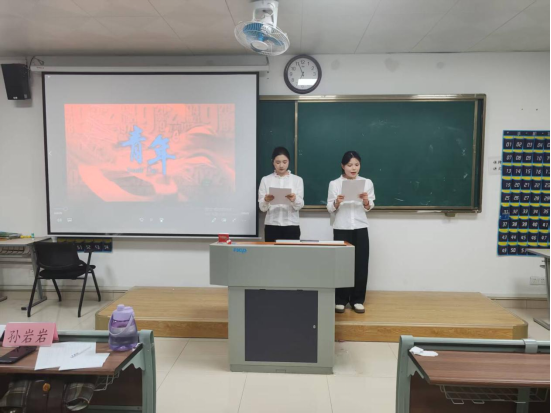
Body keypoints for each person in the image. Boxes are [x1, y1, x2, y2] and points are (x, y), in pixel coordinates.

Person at [327, 151, 375, 314]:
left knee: (361, 264)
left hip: (360, 226)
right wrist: (337, 202)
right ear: (343, 166)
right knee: (341, 264)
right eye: (349, 165)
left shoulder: (366, 182)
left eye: (356, 165)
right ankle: (340, 300)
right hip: (342, 227)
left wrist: (366, 201)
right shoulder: (335, 184)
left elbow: (369, 207)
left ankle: (357, 300)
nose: (353, 168)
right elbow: (329, 207)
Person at [258, 147, 305, 242]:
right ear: (273, 162)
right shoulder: (265, 180)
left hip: (291, 225)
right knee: (271, 252)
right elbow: (262, 208)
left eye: (284, 162)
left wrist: (294, 199)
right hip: (272, 225)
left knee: (291, 252)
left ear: (289, 162)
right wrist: (266, 200)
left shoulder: (297, 180)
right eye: (278, 162)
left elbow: (300, 205)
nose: (281, 165)